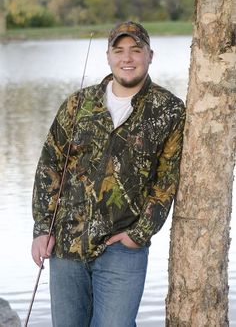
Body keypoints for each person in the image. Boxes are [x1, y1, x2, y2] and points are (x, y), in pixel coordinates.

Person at [31, 21, 186, 327]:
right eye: (119, 51)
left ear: (150, 55)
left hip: (121, 251)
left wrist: (138, 235)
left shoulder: (168, 109)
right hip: (66, 246)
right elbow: (50, 165)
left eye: (136, 50)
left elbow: (166, 181)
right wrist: (41, 228)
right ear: (108, 56)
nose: (127, 58)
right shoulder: (78, 104)